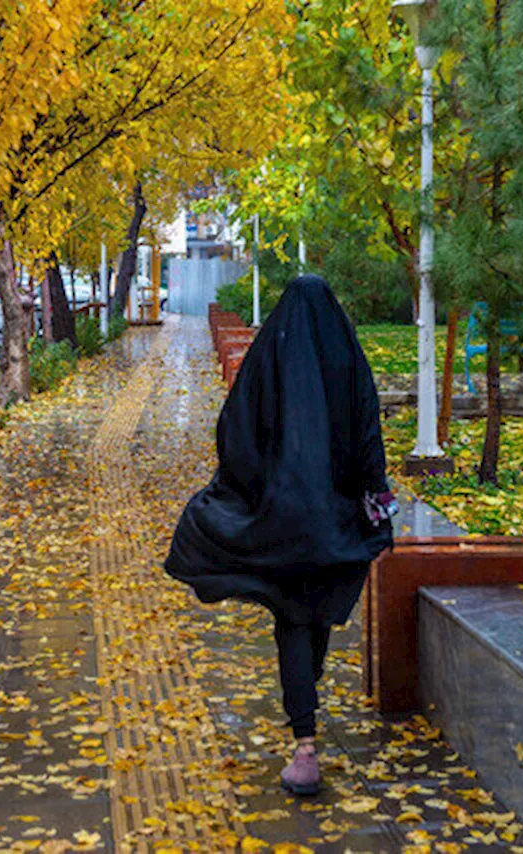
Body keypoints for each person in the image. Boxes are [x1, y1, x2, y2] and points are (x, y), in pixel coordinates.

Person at [164, 275, 397, 796]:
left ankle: (305, 745)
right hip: (333, 519)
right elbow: (367, 433)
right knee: (312, 614)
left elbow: (235, 428)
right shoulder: (347, 359)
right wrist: (373, 493)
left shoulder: (271, 356)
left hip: (279, 518)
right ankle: (305, 704)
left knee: (293, 617)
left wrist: (248, 489)